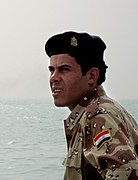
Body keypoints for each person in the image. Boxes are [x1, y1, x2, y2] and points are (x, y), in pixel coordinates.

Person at [44, 31, 138, 180]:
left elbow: (125, 172)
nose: (54, 78)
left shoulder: (99, 115)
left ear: (92, 76)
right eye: (52, 70)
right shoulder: (91, 113)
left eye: (64, 69)